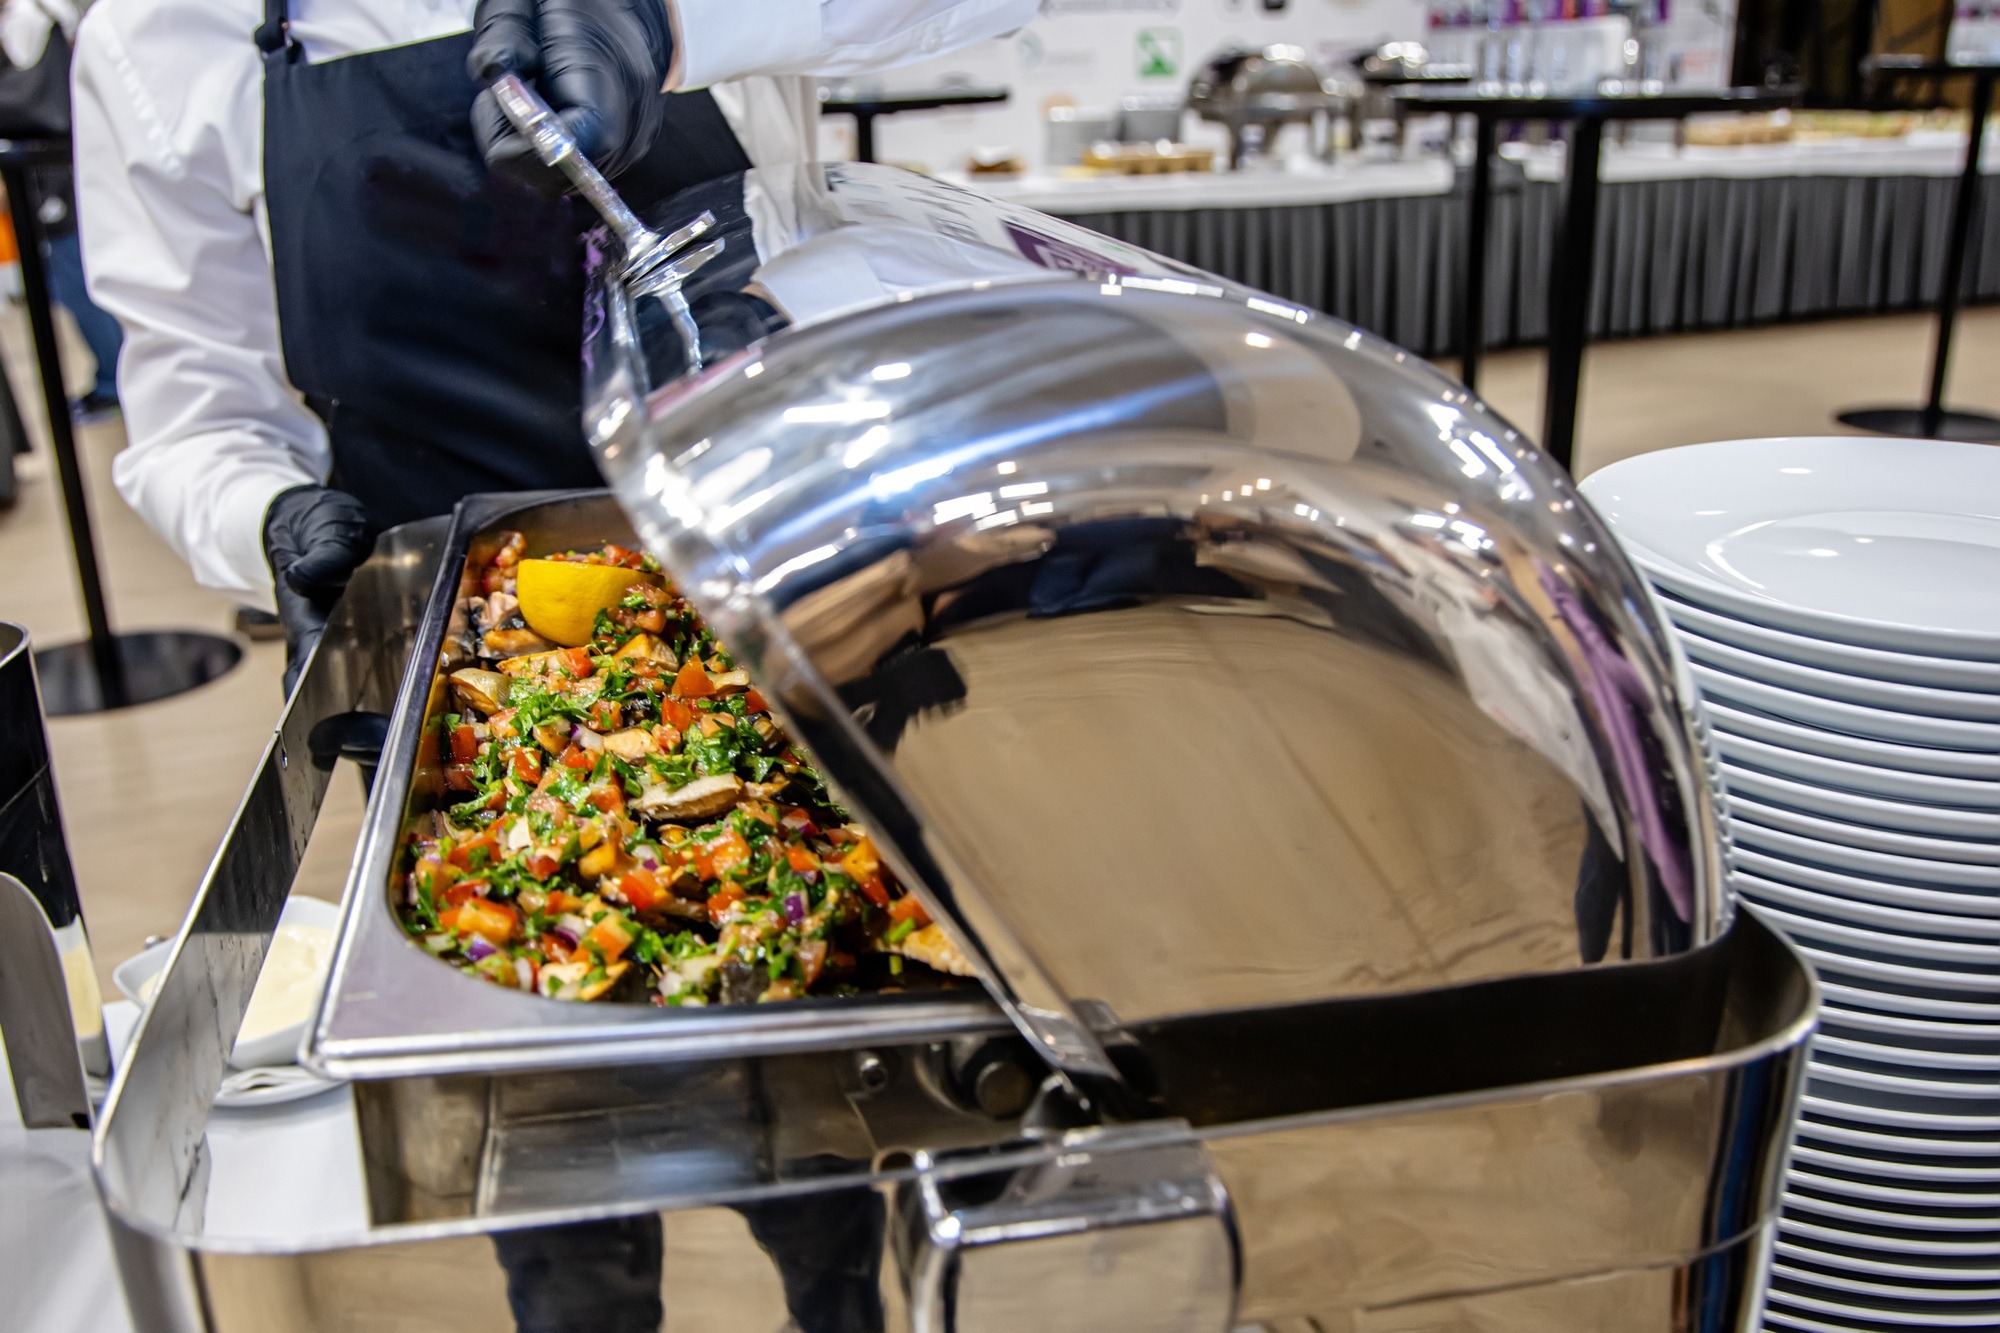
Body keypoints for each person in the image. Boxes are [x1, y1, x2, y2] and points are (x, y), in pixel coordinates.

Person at [71, 0, 1036, 680]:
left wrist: (669, 19)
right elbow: (197, 414)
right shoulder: (157, 35)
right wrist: (269, 519)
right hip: (463, 658)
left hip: (797, 585)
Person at [0, 0, 122, 420]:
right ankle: (110, 378)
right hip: (57, 173)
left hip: (58, 177)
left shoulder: (28, 21)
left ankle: (113, 382)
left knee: (79, 281)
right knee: (69, 280)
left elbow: (34, 99)